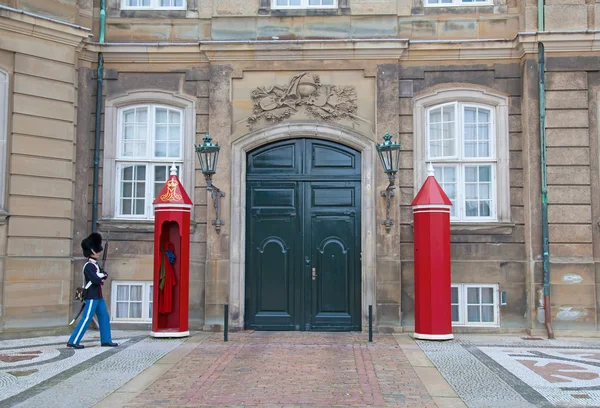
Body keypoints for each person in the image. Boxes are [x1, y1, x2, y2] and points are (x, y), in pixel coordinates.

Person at [67, 232, 118, 349]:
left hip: (98, 296)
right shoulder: (89, 265)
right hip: (91, 296)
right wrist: (102, 276)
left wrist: (102, 274)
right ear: (92, 251)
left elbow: (100, 275)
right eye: (97, 250)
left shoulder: (95, 265)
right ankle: (73, 340)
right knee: (86, 318)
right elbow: (95, 279)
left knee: (104, 316)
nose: (99, 252)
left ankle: (106, 340)